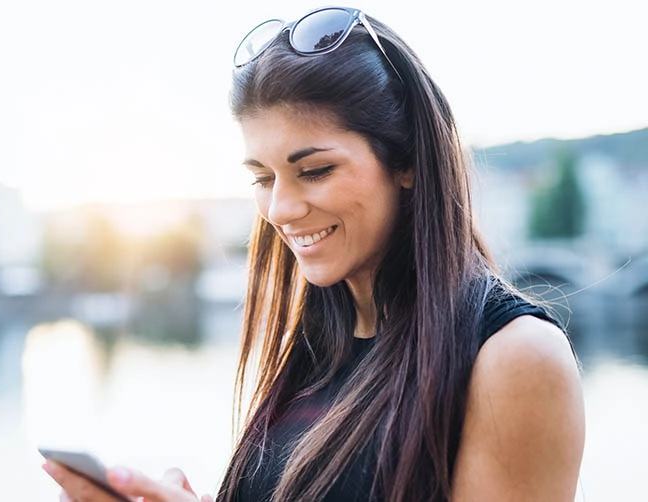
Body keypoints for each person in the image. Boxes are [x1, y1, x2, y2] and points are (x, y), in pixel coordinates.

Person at [43, 6, 585, 501]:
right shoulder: (316, 347)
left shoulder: (515, 359)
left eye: (315, 171)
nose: (279, 209)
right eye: (262, 177)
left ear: (408, 162)